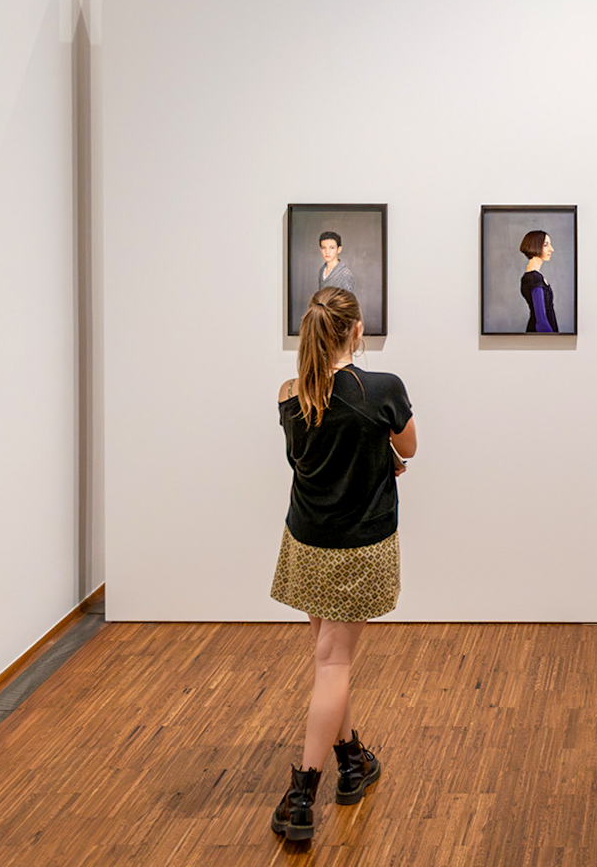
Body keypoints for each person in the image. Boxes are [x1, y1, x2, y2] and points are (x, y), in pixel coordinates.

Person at [270, 287, 417, 842]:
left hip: (307, 542)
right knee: (333, 665)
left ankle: (353, 760)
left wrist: (376, 454)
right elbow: (411, 446)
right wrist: (385, 454)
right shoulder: (384, 388)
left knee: (329, 655)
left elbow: (309, 459)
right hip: (360, 547)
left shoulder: (290, 393)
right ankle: (303, 795)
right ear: (356, 331)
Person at [519, 230, 558, 333]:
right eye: (546, 245)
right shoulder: (534, 279)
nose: (552, 249)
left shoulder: (535, 277)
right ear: (535, 246)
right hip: (541, 336)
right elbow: (541, 321)